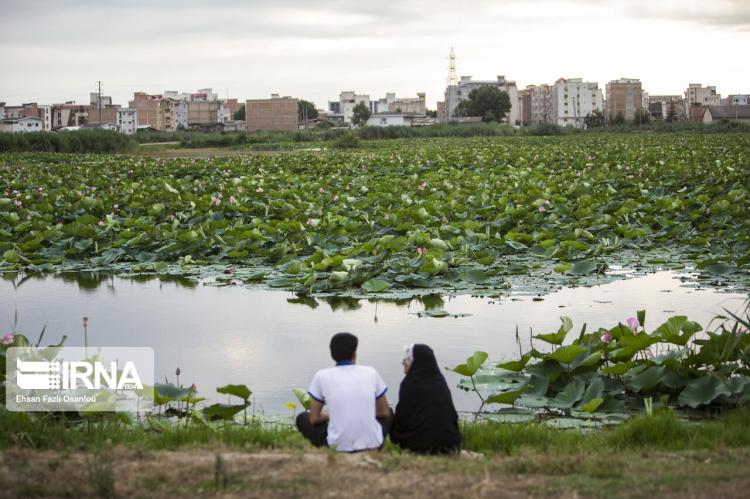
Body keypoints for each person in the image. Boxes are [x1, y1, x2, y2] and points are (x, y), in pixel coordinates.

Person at [296, 332, 393, 452]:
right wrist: (361, 412)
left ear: (332, 355)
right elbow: (383, 412)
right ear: (354, 354)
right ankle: (374, 442)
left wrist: (332, 415)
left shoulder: (321, 375)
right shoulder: (371, 372)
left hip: (338, 447)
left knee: (302, 418)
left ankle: (329, 447)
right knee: (389, 410)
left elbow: (314, 418)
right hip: (372, 444)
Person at [390, 344, 461, 454]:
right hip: (449, 443)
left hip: (417, 445)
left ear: (416, 362)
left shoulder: (408, 383)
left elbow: (402, 419)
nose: (403, 362)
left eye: (407, 359)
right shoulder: (440, 380)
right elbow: (452, 415)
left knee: (387, 413)